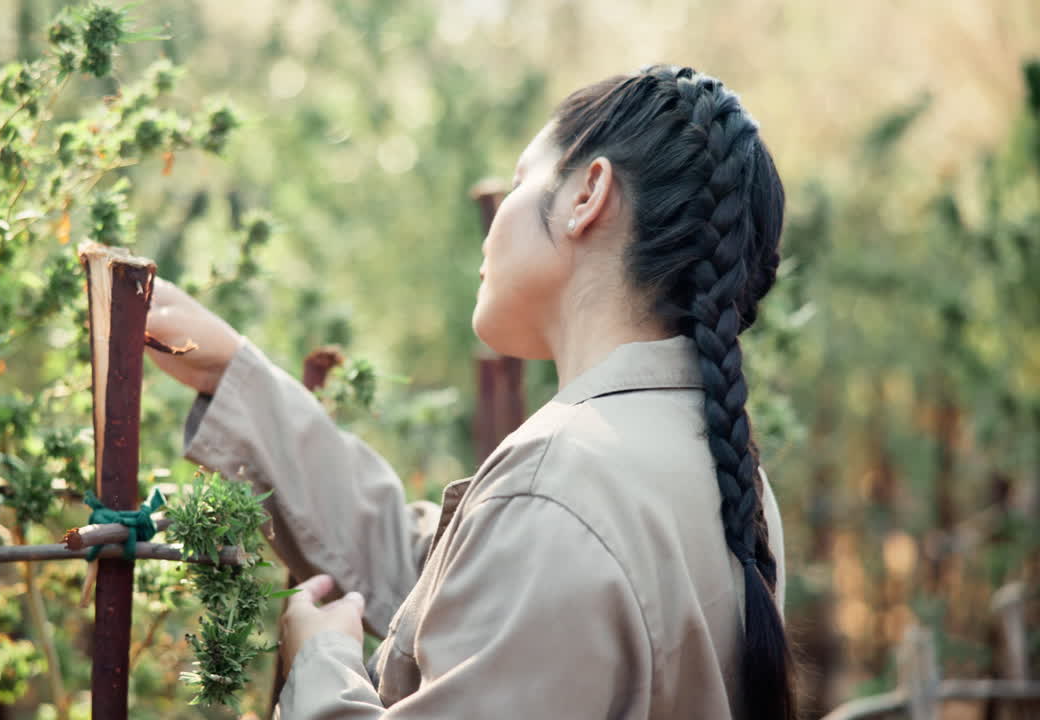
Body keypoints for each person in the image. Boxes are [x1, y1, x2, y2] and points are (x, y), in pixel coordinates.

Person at [145, 65, 794, 719]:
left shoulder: (562, 482)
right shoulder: (723, 476)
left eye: (521, 180)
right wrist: (231, 376)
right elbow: (462, 582)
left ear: (587, 195)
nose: (493, 222)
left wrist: (319, 661)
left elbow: (517, 559)